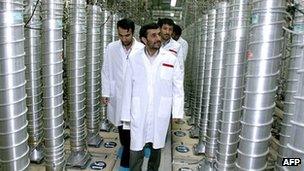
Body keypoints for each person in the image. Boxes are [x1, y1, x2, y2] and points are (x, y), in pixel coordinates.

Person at [121, 23, 184, 171]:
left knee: (157, 147)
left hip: (160, 111)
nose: (158, 38)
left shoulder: (170, 58)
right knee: (136, 148)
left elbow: (178, 87)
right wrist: (126, 116)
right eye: (153, 35)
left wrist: (177, 112)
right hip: (139, 110)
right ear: (144, 39)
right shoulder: (134, 58)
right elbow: (127, 88)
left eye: (158, 34)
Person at [101, 18, 144, 170]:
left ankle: (125, 164)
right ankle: (126, 149)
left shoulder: (141, 49)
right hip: (117, 95)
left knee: (131, 131)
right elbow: (106, 71)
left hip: (135, 96)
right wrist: (105, 92)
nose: (124, 39)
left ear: (133, 32)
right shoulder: (111, 47)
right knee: (121, 127)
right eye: (120, 35)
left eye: (127, 35)